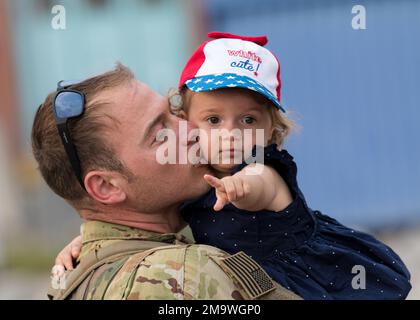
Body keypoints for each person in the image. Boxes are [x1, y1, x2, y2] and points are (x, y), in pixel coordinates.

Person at [172, 32, 412, 299]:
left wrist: (239, 187)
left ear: (271, 129)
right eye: (214, 120)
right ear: (184, 123)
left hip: (297, 282)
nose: (231, 133)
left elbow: (258, 185)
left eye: (248, 120)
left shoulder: (265, 169)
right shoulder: (192, 173)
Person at [32, 63, 300, 300]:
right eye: (160, 134)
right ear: (107, 187)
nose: (193, 130)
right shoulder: (181, 277)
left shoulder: (76, 272)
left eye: (175, 113)